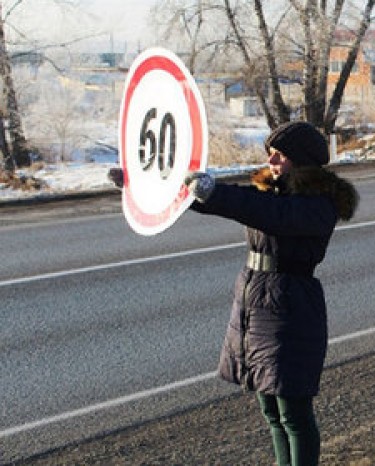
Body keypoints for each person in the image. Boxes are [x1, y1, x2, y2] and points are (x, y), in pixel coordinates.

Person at [109, 121, 359, 465]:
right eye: (270, 151)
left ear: (301, 161)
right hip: (255, 303)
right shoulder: (273, 192)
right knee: (270, 409)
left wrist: (216, 192)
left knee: (294, 414)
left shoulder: (318, 205)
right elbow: (208, 200)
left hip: (291, 308)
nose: (271, 159)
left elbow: (258, 210)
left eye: (280, 154)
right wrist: (142, 185)